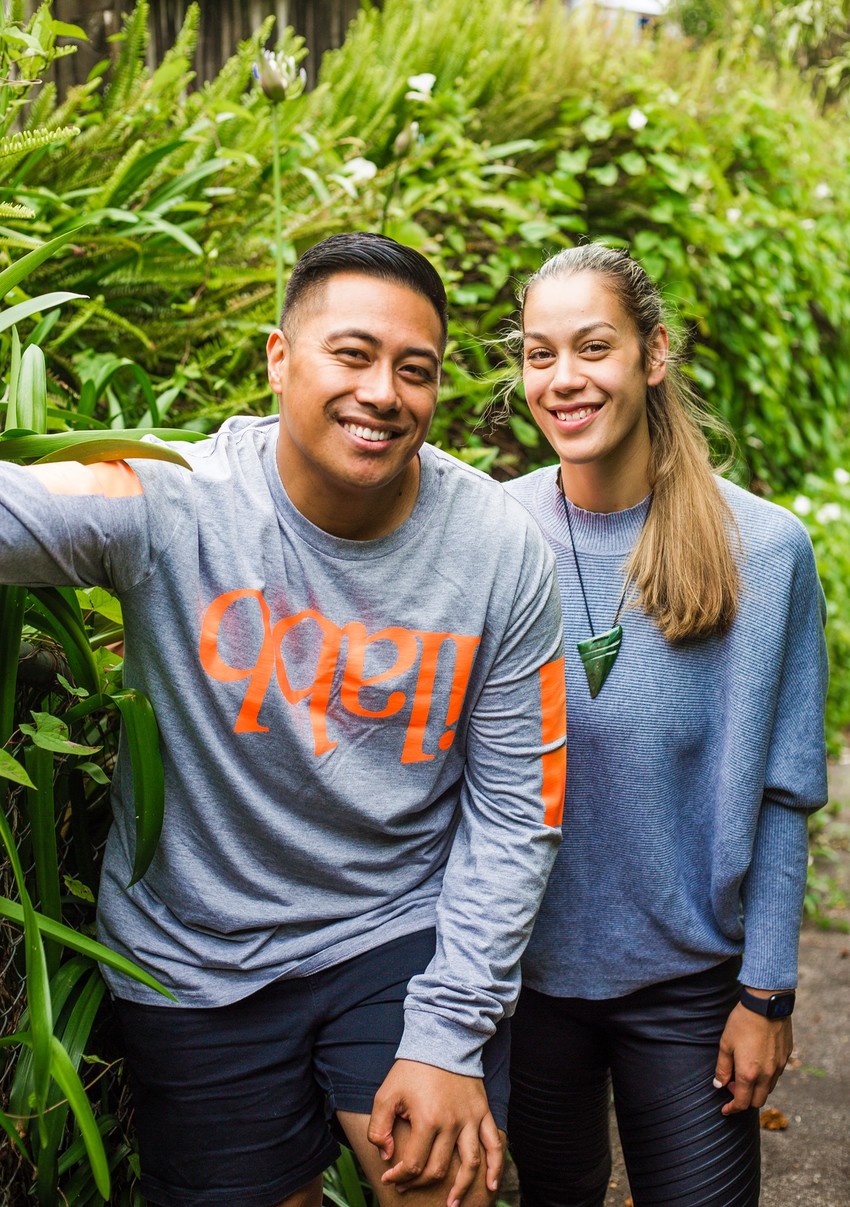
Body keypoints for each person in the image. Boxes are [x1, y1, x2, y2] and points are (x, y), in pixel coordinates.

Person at [0, 233, 567, 1207]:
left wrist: (448, 1033)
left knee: (442, 1188)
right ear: (278, 358)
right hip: (197, 952)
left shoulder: (498, 551)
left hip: (398, 927)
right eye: (352, 353)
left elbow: (519, 811)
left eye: (414, 369)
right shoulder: (176, 500)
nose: (383, 391)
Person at [502, 244, 828, 1207]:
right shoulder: (490, 531)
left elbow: (783, 788)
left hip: (689, 986)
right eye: (537, 353)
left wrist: (766, 993)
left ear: (654, 354)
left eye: (592, 347)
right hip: (523, 982)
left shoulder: (764, 551)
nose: (563, 380)